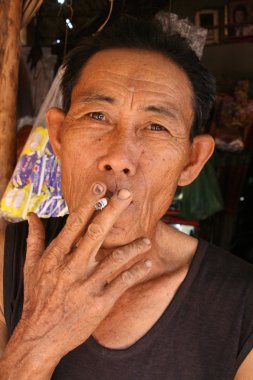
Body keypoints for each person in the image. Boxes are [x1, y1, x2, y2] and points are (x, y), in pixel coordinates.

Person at [0, 16, 253, 379]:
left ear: (191, 160)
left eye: (156, 126)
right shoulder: (5, 261)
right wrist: (38, 338)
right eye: (98, 115)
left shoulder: (241, 303)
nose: (119, 157)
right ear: (58, 136)